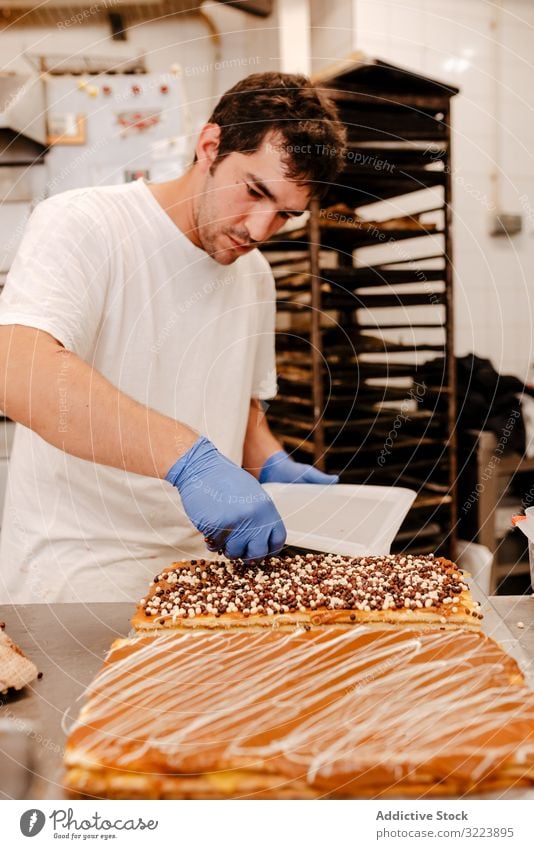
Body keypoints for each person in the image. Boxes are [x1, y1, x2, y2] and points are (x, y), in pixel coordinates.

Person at [0, 72, 346, 603]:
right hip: (74, 581)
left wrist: (271, 464)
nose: (259, 230)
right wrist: (188, 459)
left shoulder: (255, 278)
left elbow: (239, 401)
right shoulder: (86, 224)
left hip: (201, 580)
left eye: (283, 214)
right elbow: (19, 370)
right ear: (210, 146)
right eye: (254, 191)